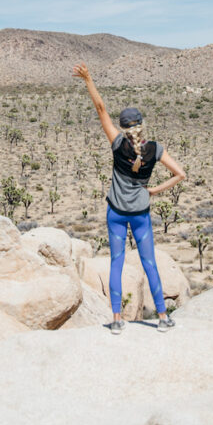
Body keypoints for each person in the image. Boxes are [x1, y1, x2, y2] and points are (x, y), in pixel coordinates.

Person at [72, 63, 187, 334]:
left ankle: (115, 320)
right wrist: (154, 191)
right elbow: (180, 174)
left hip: (115, 213)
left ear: (123, 128)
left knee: (117, 263)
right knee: (149, 263)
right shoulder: (155, 150)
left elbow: (101, 109)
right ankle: (162, 317)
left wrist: (88, 79)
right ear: (142, 126)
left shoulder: (117, 144)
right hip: (141, 214)